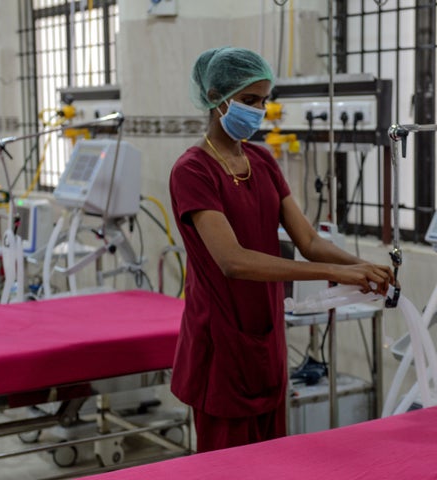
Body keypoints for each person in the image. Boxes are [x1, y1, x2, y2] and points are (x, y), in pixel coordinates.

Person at [169, 46, 394, 453]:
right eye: (250, 100)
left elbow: (308, 242)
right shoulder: (193, 171)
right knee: (228, 466)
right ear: (217, 97)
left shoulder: (262, 160)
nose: (259, 110)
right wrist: (340, 275)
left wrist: (364, 266)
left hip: (265, 338)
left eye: (264, 100)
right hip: (220, 342)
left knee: (272, 460)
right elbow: (233, 261)